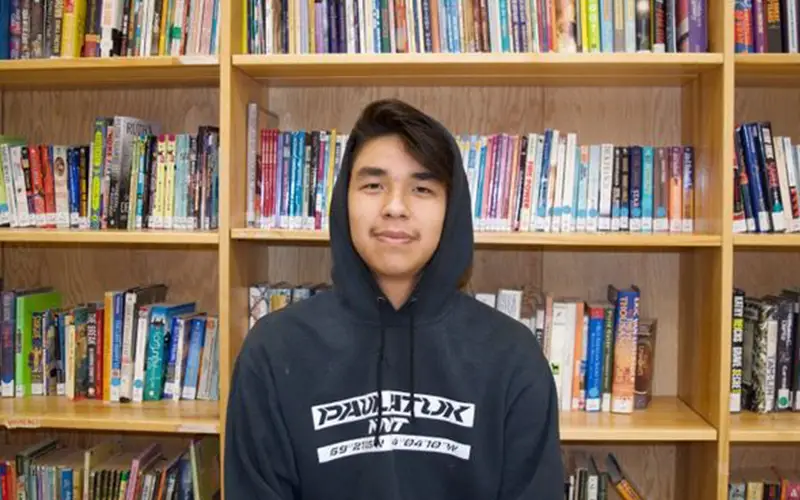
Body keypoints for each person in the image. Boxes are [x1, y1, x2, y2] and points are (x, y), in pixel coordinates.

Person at [224, 98, 565, 499]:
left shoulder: (512, 356)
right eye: (373, 185)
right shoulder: (273, 350)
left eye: (422, 188)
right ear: (342, 202)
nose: (395, 207)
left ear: (451, 210)